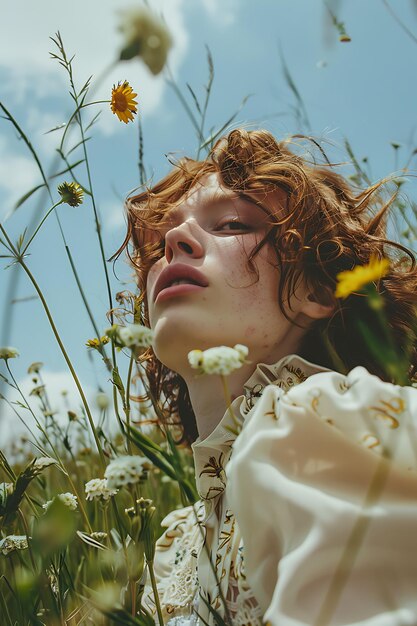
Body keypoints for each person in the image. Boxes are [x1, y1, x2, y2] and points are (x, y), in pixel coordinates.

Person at [118, 129, 417, 625]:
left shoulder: (331, 422)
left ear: (319, 289)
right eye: (158, 247)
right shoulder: (175, 543)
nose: (174, 240)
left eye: (232, 224)